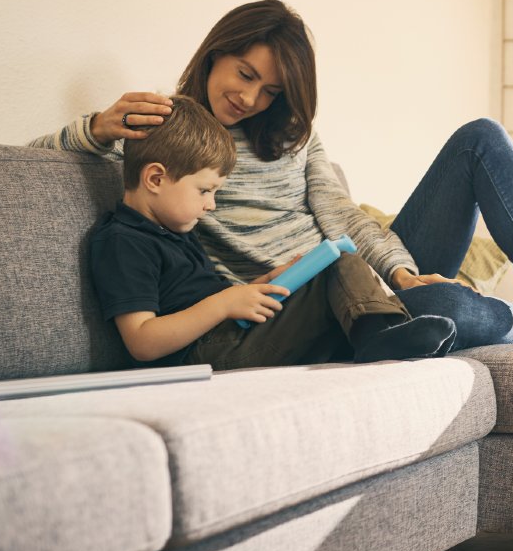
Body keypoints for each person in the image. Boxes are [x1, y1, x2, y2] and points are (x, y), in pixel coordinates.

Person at [34, 0, 513, 352]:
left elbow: (341, 218)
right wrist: (95, 128)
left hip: (365, 279)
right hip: (299, 311)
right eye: (245, 75)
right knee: (444, 307)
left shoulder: (294, 137)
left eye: (272, 90)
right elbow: (38, 162)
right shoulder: (174, 137)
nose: (252, 100)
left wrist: (396, 270)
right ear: (214, 53)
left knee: (480, 138)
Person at [88, 95, 458, 368]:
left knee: (337, 261)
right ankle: (380, 340)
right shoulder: (123, 241)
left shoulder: (176, 229)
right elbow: (141, 341)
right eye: (205, 191)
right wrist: (224, 303)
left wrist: (268, 281)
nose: (211, 205)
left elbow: (211, 295)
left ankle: (380, 335)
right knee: (334, 273)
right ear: (155, 178)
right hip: (205, 356)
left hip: (231, 333)